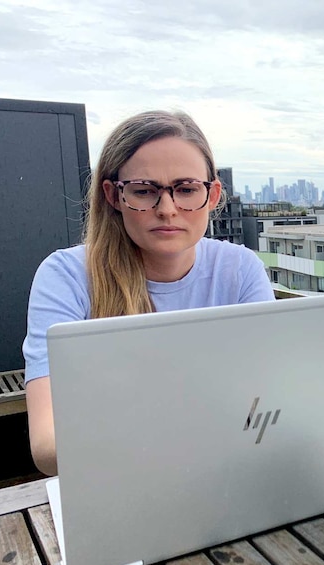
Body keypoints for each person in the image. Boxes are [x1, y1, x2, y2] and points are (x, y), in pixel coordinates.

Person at [22, 111, 274, 476]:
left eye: (186, 189)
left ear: (212, 194)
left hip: (225, 475)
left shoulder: (240, 270)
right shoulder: (67, 277)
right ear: (114, 195)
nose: (168, 209)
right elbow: (47, 446)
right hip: (115, 484)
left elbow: (266, 405)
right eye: (144, 191)